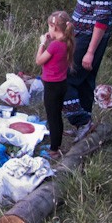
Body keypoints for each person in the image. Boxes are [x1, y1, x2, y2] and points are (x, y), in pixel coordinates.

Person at [63, 0, 112, 142]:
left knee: (65, 78)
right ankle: (84, 125)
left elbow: (101, 23)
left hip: (89, 40)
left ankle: (80, 120)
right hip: (81, 37)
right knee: (85, 81)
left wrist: (90, 52)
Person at [35, 11, 75, 160]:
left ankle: (54, 150)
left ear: (54, 27)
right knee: (57, 115)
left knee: (53, 118)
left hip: (52, 86)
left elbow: (39, 60)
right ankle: (56, 145)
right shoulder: (68, 41)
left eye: (49, 27)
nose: (48, 30)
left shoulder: (55, 46)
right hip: (61, 84)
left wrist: (42, 43)